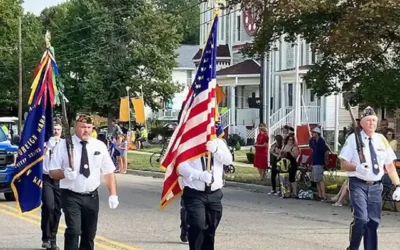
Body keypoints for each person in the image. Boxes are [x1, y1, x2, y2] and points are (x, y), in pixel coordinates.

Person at [49, 114, 119, 250]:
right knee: (74, 230)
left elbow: (108, 171)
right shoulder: (64, 145)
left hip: (92, 196)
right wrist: (64, 173)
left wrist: (113, 194)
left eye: (89, 127)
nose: (86, 130)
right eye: (82, 127)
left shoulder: (99, 145)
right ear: (75, 127)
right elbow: (52, 172)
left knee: (89, 234)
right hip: (71, 195)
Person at [339, 106, 400, 250]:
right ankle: (353, 247)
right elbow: (343, 164)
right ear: (361, 123)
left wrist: (397, 185)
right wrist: (356, 168)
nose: (372, 123)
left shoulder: (381, 139)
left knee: (373, 221)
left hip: (375, 186)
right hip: (358, 184)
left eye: (374, 120)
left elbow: (390, 165)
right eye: (368, 121)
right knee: (361, 218)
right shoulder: (353, 139)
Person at [179, 135, 233, 250]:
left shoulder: (218, 142)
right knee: (197, 225)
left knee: (211, 228)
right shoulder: (189, 141)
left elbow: (228, 160)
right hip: (195, 194)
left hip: (214, 194)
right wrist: (199, 175)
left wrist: (216, 151)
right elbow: (181, 167)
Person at [41, 119, 63, 250]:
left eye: (58, 129)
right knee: (49, 206)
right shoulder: (44, 144)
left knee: (57, 209)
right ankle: (46, 237)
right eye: (54, 129)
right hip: (46, 178)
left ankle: (53, 238)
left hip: (60, 179)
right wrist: (48, 146)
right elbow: (38, 157)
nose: (56, 132)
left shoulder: (64, 144)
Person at [309, 127, 328, 201]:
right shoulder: (313, 141)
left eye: (313, 133)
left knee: (320, 179)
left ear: (317, 133)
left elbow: (325, 151)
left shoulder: (321, 141)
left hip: (319, 162)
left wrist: (325, 161)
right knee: (316, 179)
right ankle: (320, 195)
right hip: (314, 161)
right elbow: (312, 150)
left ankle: (324, 195)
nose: (312, 134)